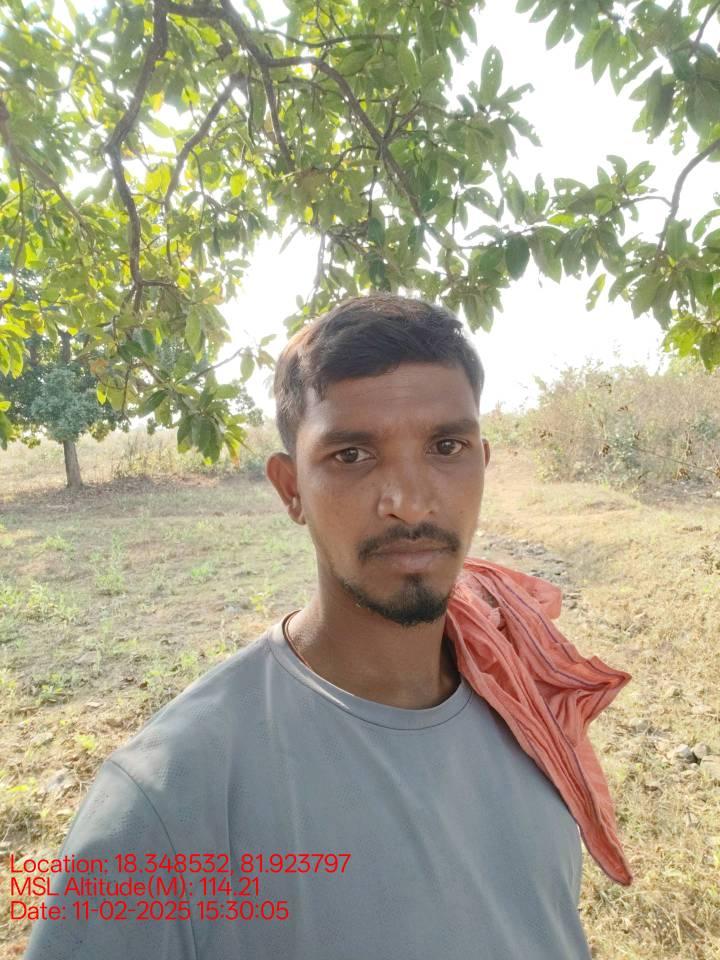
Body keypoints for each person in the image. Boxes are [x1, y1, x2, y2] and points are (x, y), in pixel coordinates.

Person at [23, 293, 631, 960]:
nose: (410, 502)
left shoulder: (525, 692)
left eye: (446, 447)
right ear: (291, 489)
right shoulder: (169, 801)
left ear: (482, 464)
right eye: (352, 455)